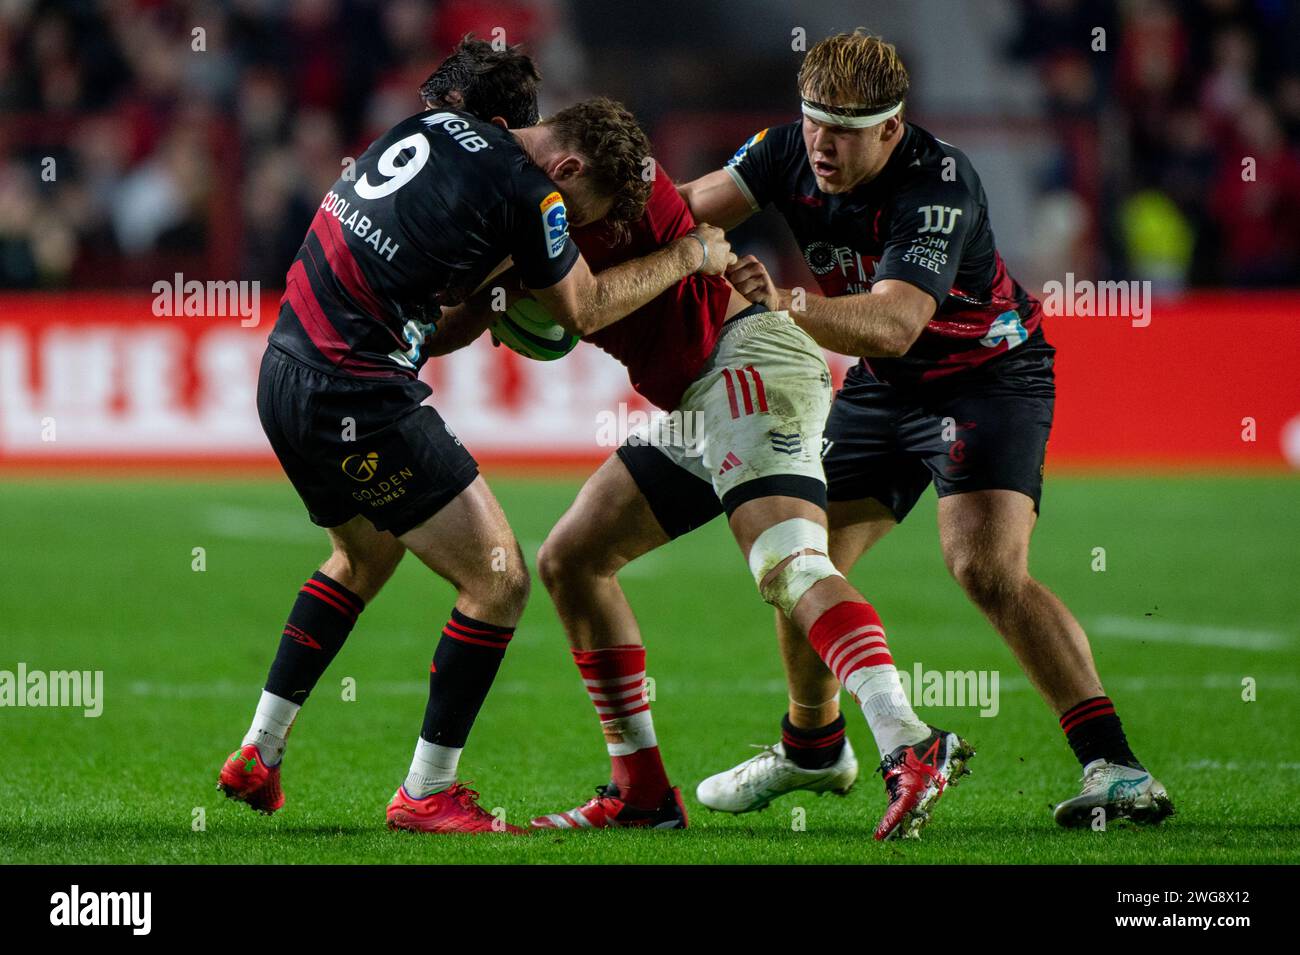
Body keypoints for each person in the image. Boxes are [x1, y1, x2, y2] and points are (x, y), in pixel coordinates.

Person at [216, 41, 735, 835]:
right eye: (587, 214)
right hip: (356, 389)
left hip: (283, 367)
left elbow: (440, 302)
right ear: (565, 171)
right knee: (500, 578)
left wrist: (489, 297)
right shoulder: (533, 196)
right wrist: (691, 252)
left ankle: (261, 747)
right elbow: (585, 309)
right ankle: (428, 791)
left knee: (364, 553)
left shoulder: (419, 128)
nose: (580, 229)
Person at [679, 29, 1172, 828]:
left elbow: (897, 323)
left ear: (891, 126)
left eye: (844, 131)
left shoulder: (938, 184)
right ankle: (813, 746)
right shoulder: (783, 150)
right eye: (812, 122)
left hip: (985, 379)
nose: (822, 146)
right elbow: (688, 205)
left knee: (984, 568)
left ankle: (1116, 766)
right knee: (805, 562)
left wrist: (787, 304)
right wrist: (578, 218)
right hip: (884, 391)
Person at [435, 146, 974, 842]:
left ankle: (908, 739)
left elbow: (516, 309)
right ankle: (643, 793)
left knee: (792, 565)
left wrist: (370, 323)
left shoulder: (567, 199)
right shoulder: (548, 210)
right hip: (705, 392)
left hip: (749, 361)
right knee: (573, 556)